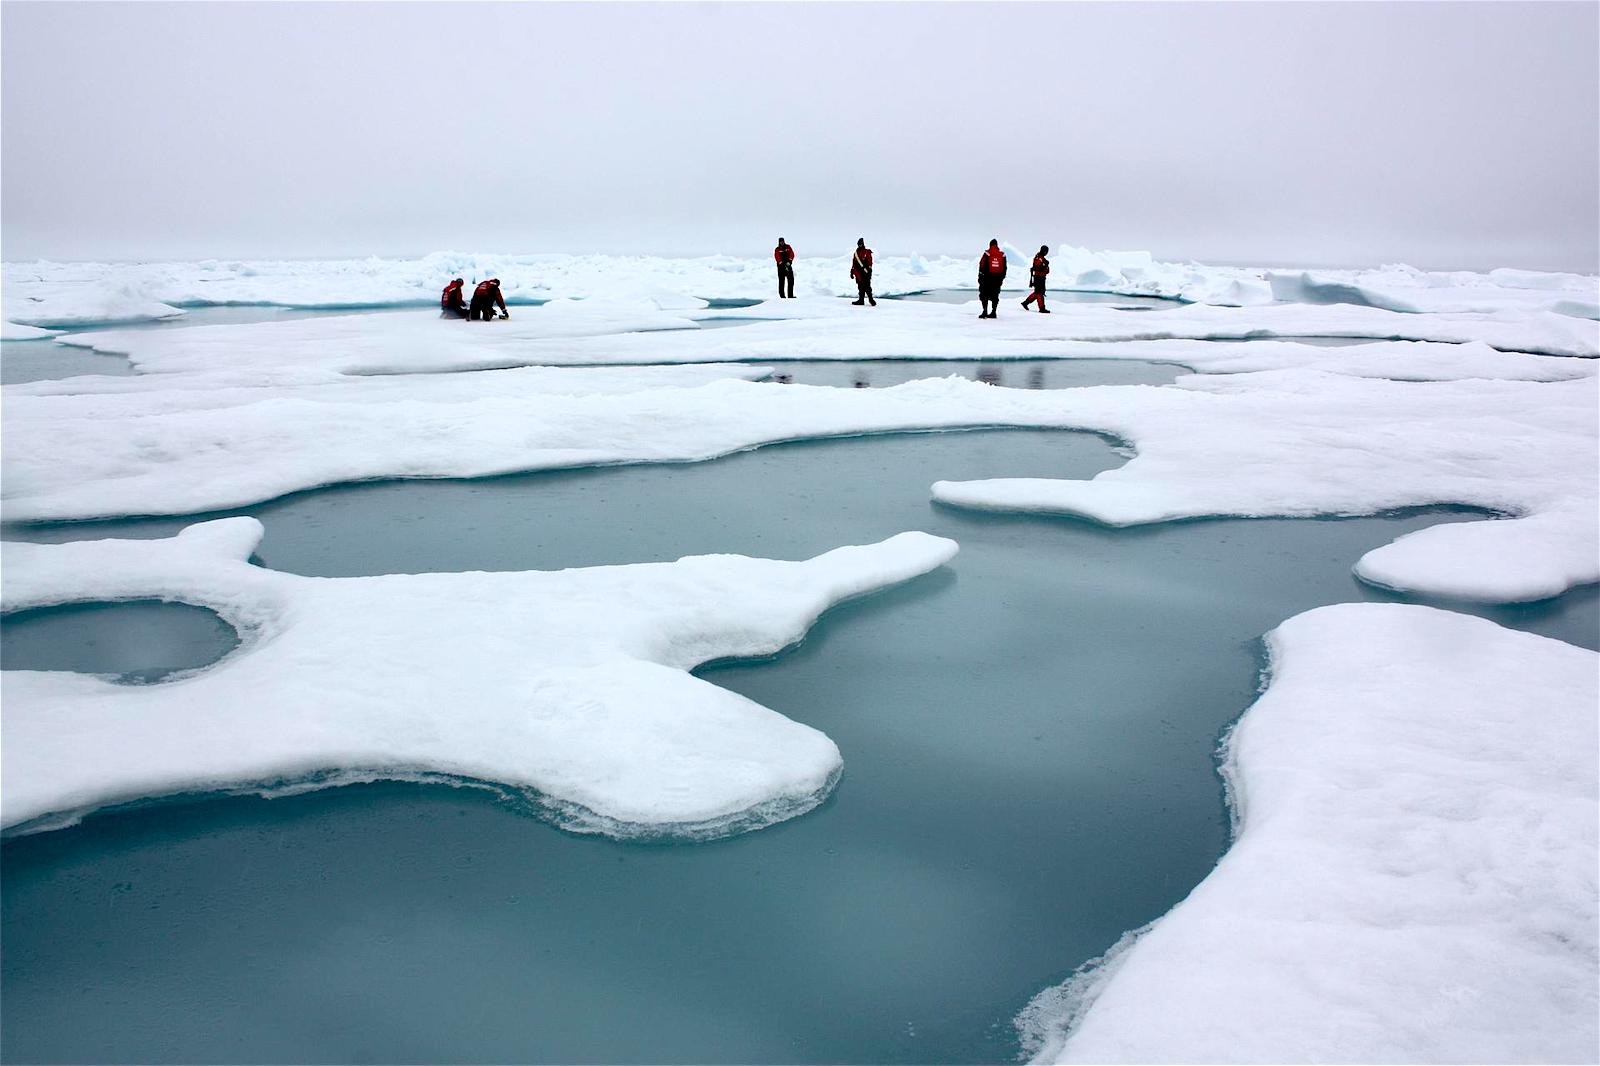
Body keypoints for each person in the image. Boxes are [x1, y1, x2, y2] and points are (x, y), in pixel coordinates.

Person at [977, 239, 1007, 318]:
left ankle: (985, 311)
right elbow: (1005, 268)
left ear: (990, 245)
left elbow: (981, 265)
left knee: (984, 294)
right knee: (995, 295)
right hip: (997, 279)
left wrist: (980, 277)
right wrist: (1001, 278)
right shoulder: (1002, 255)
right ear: (997, 245)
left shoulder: (987, 254)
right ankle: (994, 312)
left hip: (987, 279)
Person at [1022, 246, 1051, 313]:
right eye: (1046, 251)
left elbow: (1044, 270)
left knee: (1037, 293)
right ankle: (1042, 308)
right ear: (1044, 251)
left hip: (1040, 278)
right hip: (1039, 278)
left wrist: (1045, 266)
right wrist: (1044, 266)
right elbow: (1037, 268)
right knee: (1039, 293)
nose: (1047, 253)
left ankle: (1025, 303)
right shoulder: (1039, 258)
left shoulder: (1040, 258)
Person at [850, 238, 876, 306]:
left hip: (865, 273)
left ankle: (871, 300)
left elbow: (870, 263)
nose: (859, 245)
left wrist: (869, 271)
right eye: (859, 243)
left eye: (860, 243)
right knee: (860, 287)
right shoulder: (856, 253)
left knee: (867, 286)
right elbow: (854, 263)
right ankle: (861, 300)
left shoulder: (867, 252)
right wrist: (852, 271)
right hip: (858, 273)